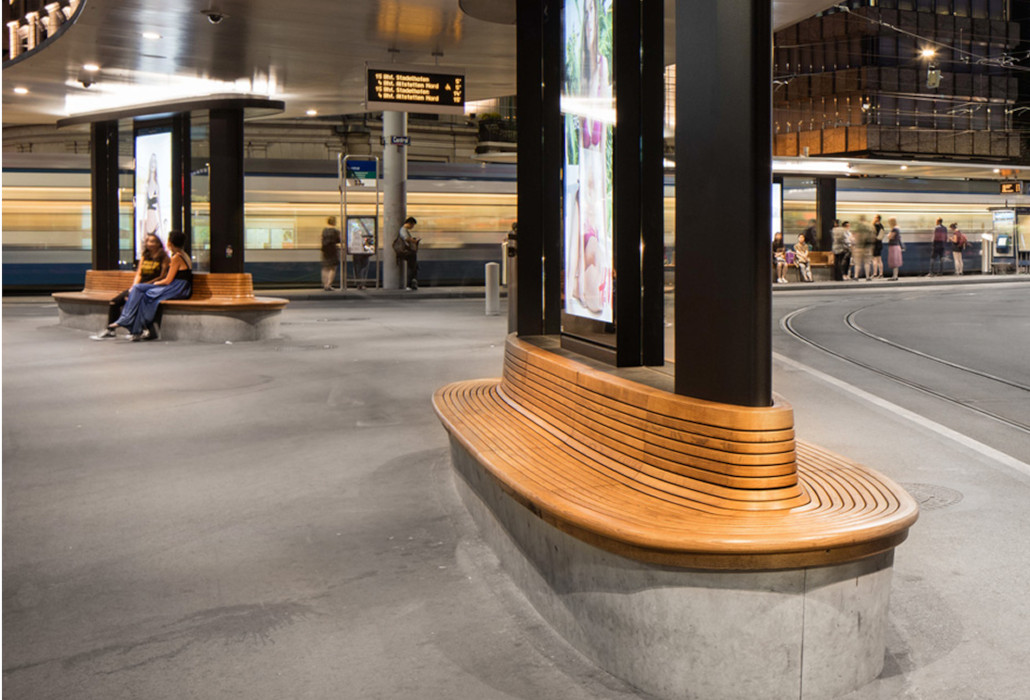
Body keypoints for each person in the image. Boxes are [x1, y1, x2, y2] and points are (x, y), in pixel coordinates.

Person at [97, 230, 193, 341]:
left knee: (141, 291)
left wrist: (155, 284)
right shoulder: (183, 255)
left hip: (177, 288)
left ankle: (129, 323)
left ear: (170, 243)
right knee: (140, 292)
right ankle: (134, 328)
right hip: (179, 287)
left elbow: (167, 280)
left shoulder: (176, 257)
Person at [97, 233, 169, 332]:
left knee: (133, 301)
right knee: (115, 301)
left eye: (153, 241)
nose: (150, 244)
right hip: (139, 287)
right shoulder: (145, 256)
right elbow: (139, 273)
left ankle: (139, 330)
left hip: (152, 286)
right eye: (148, 241)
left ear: (158, 244)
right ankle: (110, 330)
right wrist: (133, 287)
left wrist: (146, 285)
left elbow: (162, 276)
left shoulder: (164, 257)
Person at [396, 216, 420, 290]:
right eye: (412, 225)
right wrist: (414, 241)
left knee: (414, 266)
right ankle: (409, 284)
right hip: (407, 252)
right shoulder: (403, 230)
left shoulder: (404, 230)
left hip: (408, 252)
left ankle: (412, 282)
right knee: (412, 267)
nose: (412, 227)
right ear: (409, 223)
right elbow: (406, 238)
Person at [320, 217, 342, 291]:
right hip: (333, 251)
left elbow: (322, 240)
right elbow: (339, 240)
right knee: (332, 268)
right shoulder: (336, 231)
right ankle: (329, 285)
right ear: (334, 222)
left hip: (325, 251)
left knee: (325, 268)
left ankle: (325, 284)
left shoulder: (324, 230)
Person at [851, 215, 875, 280]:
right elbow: (873, 237)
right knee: (867, 262)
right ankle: (867, 276)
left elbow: (855, 236)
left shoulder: (857, 226)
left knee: (857, 263)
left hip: (859, 247)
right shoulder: (870, 226)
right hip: (868, 247)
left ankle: (856, 276)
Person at [871, 214, 885, 279]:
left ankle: (875, 274)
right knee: (879, 259)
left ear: (877, 218)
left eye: (874, 218)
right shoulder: (881, 226)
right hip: (880, 244)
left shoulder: (875, 226)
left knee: (874, 259)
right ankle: (881, 273)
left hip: (875, 244)